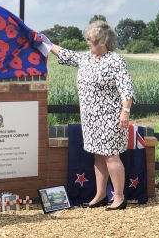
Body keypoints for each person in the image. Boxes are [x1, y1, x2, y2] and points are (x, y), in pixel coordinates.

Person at [50, 21, 135, 211]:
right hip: (90, 119)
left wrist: (125, 111)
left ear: (101, 40)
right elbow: (67, 55)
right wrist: (46, 43)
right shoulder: (86, 58)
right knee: (98, 156)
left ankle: (119, 197)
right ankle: (100, 195)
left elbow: (126, 88)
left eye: (90, 39)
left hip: (110, 117)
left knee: (111, 156)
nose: (87, 42)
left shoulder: (115, 60)